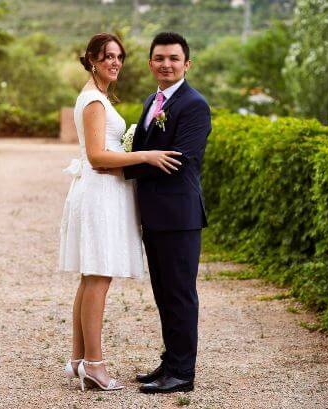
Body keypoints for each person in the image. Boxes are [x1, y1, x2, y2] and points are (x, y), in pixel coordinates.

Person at [58, 32, 183, 392]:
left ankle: (79, 359)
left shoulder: (96, 97)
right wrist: (145, 155)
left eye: (119, 57)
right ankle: (94, 366)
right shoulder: (94, 101)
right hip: (99, 193)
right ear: (92, 59)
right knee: (98, 277)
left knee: (90, 277)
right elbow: (97, 157)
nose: (115, 63)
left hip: (99, 191)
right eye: (107, 56)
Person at [123, 32, 212, 394]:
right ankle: (170, 361)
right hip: (155, 215)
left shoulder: (194, 105)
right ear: (150, 63)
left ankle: (182, 374)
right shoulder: (152, 101)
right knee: (163, 292)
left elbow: (179, 160)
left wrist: (121, 166)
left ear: (187, 64)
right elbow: (146, 148)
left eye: (174, 58)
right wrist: (133, 157)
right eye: (159, 58)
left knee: (179, 294)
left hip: (179, 217)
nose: (166, 64)